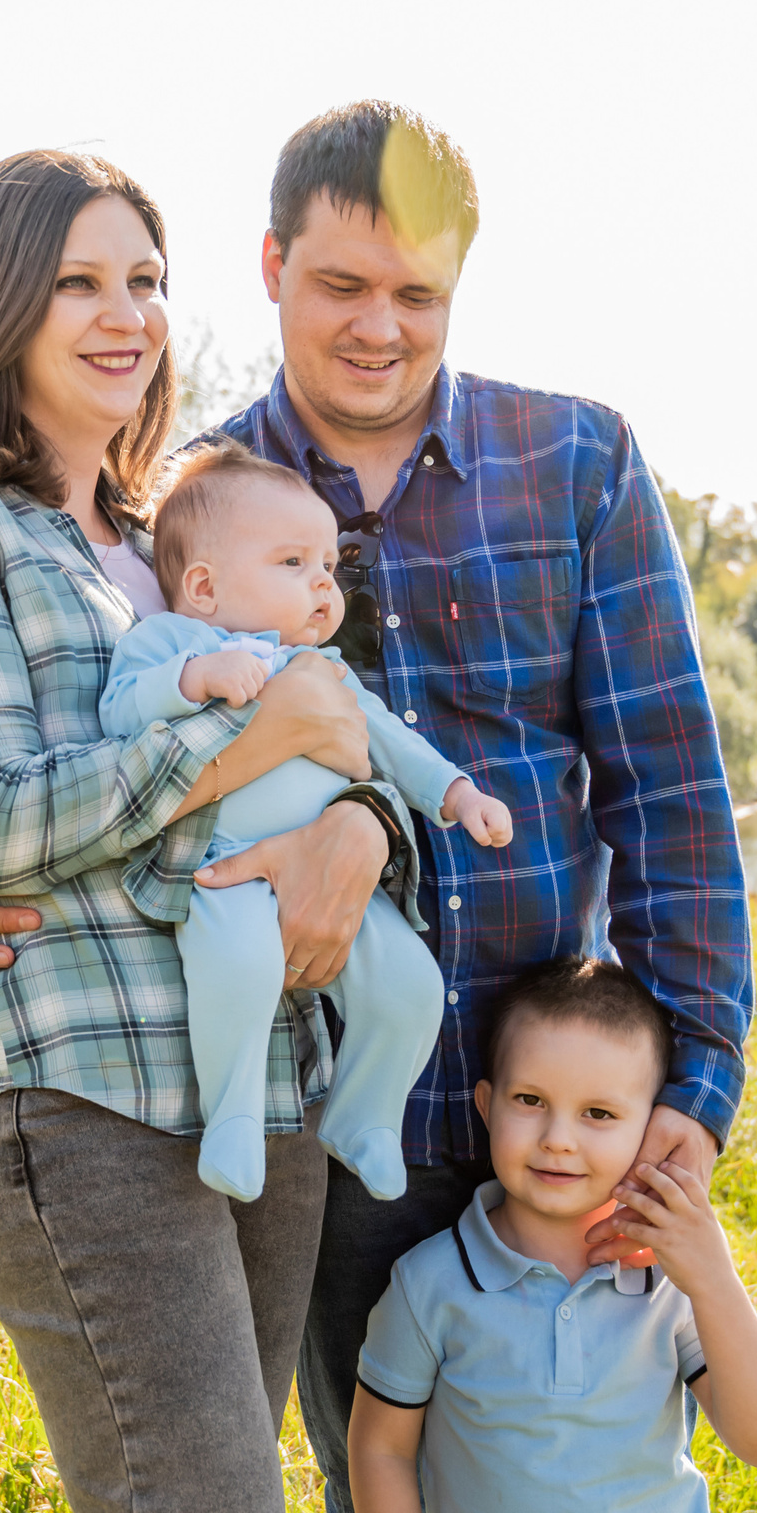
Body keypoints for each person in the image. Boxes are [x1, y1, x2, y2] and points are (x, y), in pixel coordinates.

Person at [0, 102, 753, 1513]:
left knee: (550, 1491)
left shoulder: (555, 462)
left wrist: (699, 1075)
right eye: (340, 285)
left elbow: (663, 785)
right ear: (274, 272)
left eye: (416, 292)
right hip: (259, 1092)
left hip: (517, 1091)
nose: (378, 324)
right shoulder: (197, 496)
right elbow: (18, 755)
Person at [0, 148, 393, 1513]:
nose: (123, 312)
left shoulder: (171, 538)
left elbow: (330, 736)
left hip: (259, 1089)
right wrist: (253, 743)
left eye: (143, 278)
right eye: (78, 279)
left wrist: (355, 812)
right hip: (71, 1090)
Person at [346, 958, 757, 1513]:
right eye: (531, 1099)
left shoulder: (671, 1284)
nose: (559, 1137)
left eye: (599, 1113)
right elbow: (380, 1451)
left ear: (652, 1125)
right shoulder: (432, 1283)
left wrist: (712, 1276)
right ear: (487, 1103)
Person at [99, 442, 512, 1201]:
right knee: (242, 970)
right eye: (293, 563)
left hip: (334, 876)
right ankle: (232, 1117)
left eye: (329, 564)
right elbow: (118, 706)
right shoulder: (174, 641)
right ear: (203, 585)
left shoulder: (328, 671)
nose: (324, 581)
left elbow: (396, 746)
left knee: (414, 985)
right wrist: (194, 680)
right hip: (227, 866)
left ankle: (365, 1115)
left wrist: (458, 796)